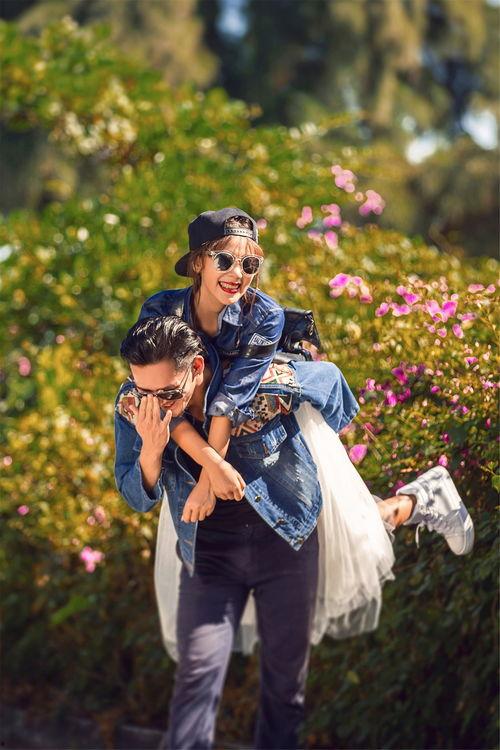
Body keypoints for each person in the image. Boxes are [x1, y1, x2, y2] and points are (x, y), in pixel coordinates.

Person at [114, 315, 474, 750]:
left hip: (285, 541)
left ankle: (420, 498)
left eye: (169, 394)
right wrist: (151, 451)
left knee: (284, 688)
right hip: (207, 556)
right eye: (146, 392)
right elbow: (136, 496)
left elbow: (334, 388)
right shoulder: (137, 406)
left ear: (196, 367)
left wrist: (291, 397)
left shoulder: (252, 380)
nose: (159, 407)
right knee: (195, 682)